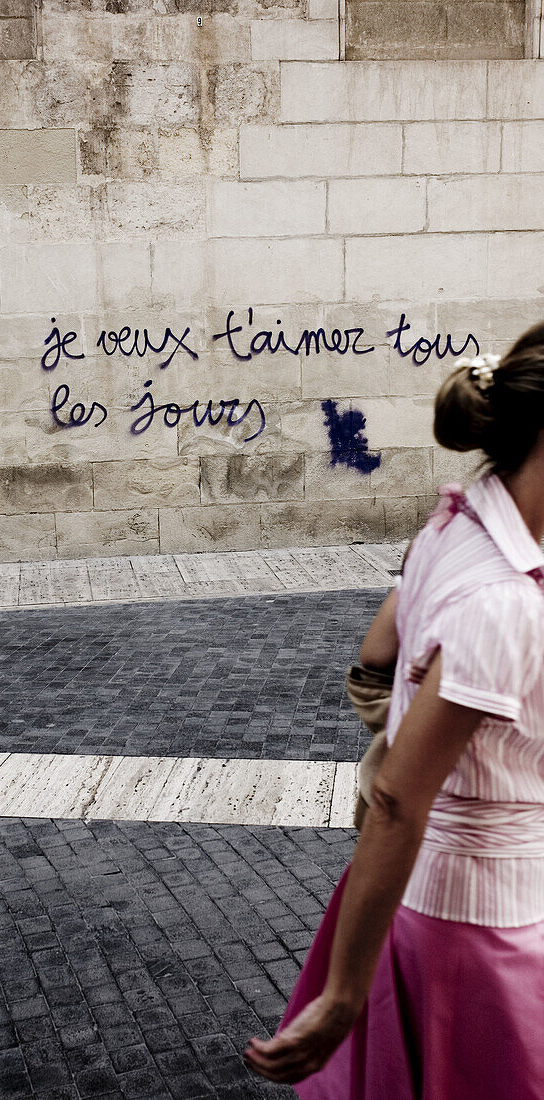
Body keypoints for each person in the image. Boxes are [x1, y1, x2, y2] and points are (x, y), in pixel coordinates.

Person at [244, 321, 544, 1098]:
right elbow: (398, 802)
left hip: (431, 901)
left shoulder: (460, 519)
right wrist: (342, 998)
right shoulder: (504, 604)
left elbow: (385, 648)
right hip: (481, 925)